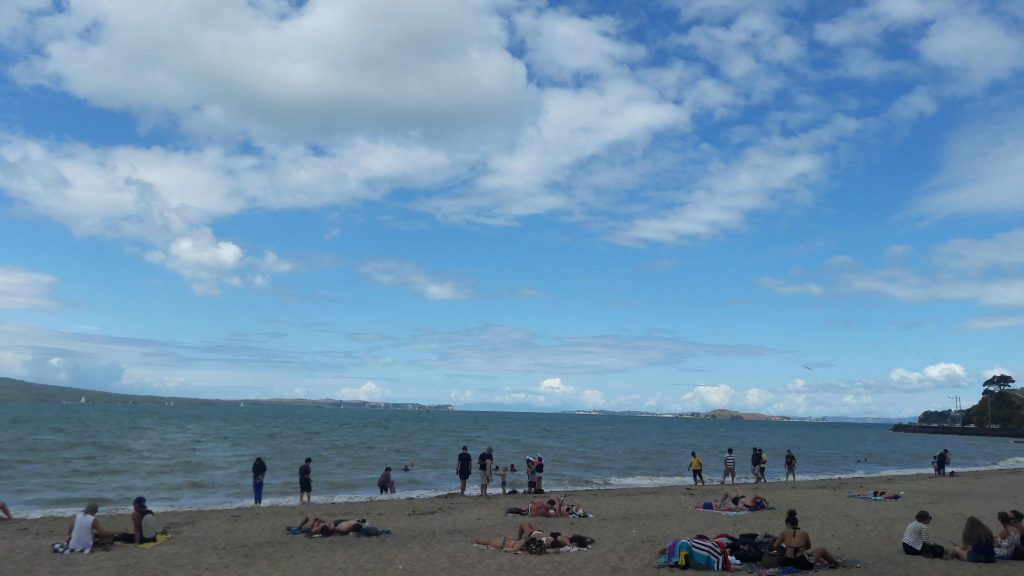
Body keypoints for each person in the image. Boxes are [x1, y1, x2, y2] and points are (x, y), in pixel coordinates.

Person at [772, 509, 840, 570]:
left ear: (788, 524)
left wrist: (782, 553)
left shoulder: (784, 532)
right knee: (821, 549)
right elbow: (808, 547)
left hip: (785, 563)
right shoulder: (804, 533)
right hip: (802, 564)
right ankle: (836, 564)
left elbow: (775, 546)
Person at [475, 521, 594, 553]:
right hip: (538, 534)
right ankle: (517, 537)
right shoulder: (565, 538)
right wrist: (585, 545)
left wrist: (576, 546)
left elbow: (569, 545)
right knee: (528, 523)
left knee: (523, 523)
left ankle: (517, 537)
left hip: (535, 536)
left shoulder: (565, 540)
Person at [294, 514, 365, 537]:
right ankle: (301, 526)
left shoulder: (345, 528)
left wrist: (314, 524)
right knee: (312, 516)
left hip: (332, 525)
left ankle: (300, 526)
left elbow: (334, 530)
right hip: (334, 523)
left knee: (310, 516)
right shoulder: (353, 524)